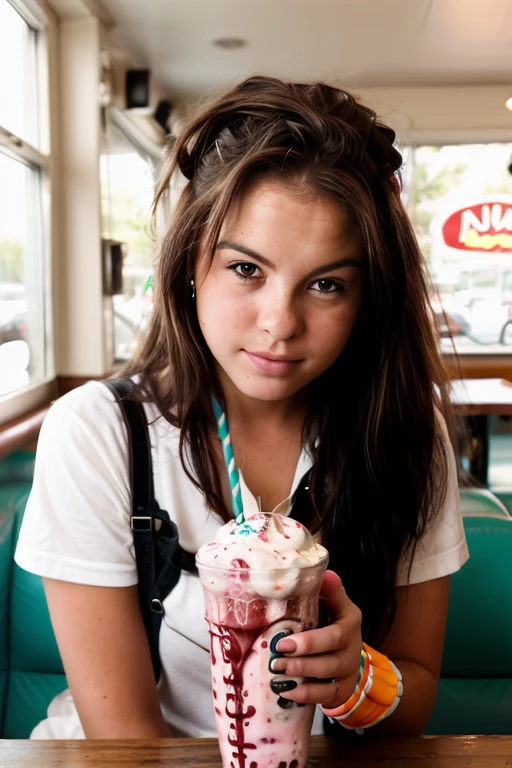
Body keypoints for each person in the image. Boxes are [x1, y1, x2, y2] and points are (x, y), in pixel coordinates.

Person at [15, 75, 468, 741]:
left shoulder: (406, 433)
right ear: (191, 263)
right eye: (247, 270)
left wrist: (359, 680)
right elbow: (127, 738)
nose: (279, 324)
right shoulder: (100, 433)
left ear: (366, 298)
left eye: (326, 284)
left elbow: (415, 694)